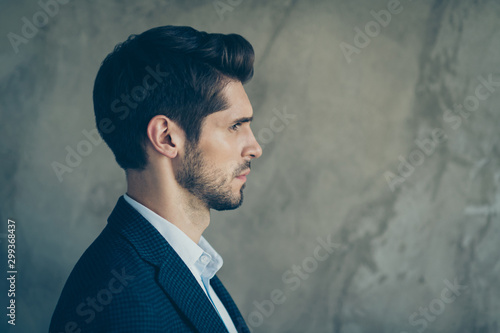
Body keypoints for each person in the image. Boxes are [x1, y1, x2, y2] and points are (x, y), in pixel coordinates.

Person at [49, 25, 262, 333]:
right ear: (166, 137)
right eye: (235, 126)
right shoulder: (119, 302)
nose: (255, 147)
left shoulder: (188, 265)